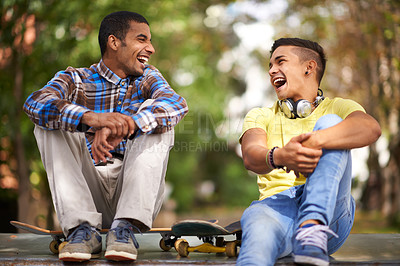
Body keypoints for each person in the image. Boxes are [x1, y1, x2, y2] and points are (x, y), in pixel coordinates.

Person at [23, 11, 188, 262]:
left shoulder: (147, 77)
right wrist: (91, 118)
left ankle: (125, 227)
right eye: (142, 39)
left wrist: (126, 124)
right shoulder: (76, 78)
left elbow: (177, 104)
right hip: (87, 191)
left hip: (134, 191)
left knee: (156, 117)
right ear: (114, 42)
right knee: (48, 120)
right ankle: (82, 230)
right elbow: (35, 103)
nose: (151, 48)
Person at [236, 38, 381, 266]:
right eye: (270, 66)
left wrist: (315, 141)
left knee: (332, 123)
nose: (272, 70)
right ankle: (302, 240)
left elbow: (370, 128)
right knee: (254, 226)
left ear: (309, 67)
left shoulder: (338, 107)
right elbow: (251, 154)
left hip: (331, 215)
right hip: (275, 208)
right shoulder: (260, 115)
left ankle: (312, 228)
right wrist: (281, 156)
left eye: (280, 62)